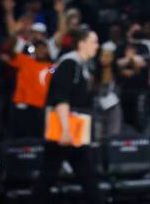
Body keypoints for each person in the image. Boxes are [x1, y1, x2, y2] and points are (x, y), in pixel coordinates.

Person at [33, 26, 102, 204]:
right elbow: (60, 97)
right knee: (52, 176)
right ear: (81, 44)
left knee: (80, 175)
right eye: (94, 42)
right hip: (66, 131)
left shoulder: (80, 65)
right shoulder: (69, 63)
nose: (97, 46)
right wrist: (64, 130)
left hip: (74, 131)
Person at [3, 37, 54, 138]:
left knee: (38, 136)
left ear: (47, 50)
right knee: (19, 136)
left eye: (43, 48)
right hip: (23, 104)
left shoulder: (52, 67)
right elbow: (10, 52)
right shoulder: (25, 60)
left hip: (42, 107)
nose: (40, 50)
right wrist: (17, 36)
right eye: (37, 48)